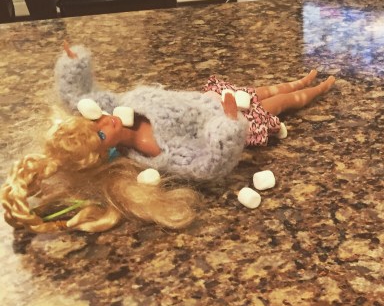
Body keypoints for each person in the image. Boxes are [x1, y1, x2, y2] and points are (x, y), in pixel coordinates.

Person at [1, 44, 335, 233]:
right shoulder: (153, 151)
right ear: (106, 151)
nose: (105, 121)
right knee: (284, 103)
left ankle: (304, 79)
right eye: (101, 133)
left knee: (271, 89)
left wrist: (74, 67)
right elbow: (208, 164)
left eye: (94, 120)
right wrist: (229, 126)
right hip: (230, 120)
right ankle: (318, 89)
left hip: (214, 98)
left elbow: (79, 96)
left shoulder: (112, 109)